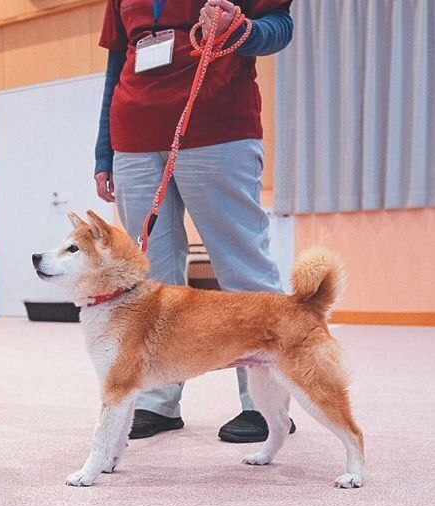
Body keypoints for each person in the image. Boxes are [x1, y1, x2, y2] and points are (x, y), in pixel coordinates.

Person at [94, 0, 295, 443]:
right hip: (135, 139)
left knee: (242, 268)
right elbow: (116, 65)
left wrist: (242, 32)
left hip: (217, 129)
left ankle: (264, 403)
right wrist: (104, 150)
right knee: (148, 279)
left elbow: (280, 27)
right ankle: (158, 400)